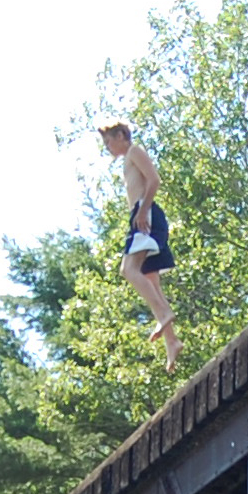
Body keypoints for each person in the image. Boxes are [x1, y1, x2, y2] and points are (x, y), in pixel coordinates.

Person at [99, 119, 180, 369]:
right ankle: (172, 341)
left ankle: (164, 314)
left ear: (122, 134)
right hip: (142, 215)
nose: (108, 147)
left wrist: (143, 211)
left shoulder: (135, 151)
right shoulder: (127, 159)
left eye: (109, 141)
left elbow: (154, 180)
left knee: (128, 270)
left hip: (146, 215)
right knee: (151, 280)